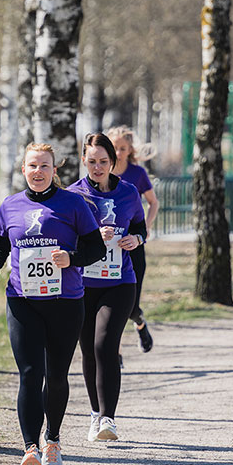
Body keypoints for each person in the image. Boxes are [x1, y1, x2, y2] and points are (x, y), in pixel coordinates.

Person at [0, 143, 105, 465]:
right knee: (29, 373)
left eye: (45, 166)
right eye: (32, 166)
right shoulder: (10, 205)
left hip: (65, 302)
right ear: (23, 169)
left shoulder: (73, 204)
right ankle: (30, 450)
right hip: (22, 301)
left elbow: (95, 246)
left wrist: (72, 259)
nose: (38, 172)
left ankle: (52, 440)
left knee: (55, 376)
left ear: (56, 170)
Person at [67, 133, 147, 442]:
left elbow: (139, 226)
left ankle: (108, 419)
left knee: (105, 346)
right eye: (92, 161)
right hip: (82, 284)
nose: (98, 167)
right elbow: (64, 237)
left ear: (113, 162)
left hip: (119, 281)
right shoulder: (73, 195)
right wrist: (90, 238)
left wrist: (135, 239)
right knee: (88, 350)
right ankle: (94, 414)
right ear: (83, 161)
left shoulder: (128, 192)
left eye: (103, 161)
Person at [107, 125, 159, 353]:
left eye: (122, 148)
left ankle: (140, 323)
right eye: (114, 148)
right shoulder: (100, 172)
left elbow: (153, 202)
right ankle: (113, 352)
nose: (118, 153)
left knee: (131, 307)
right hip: (108, 247)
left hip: (133, 245)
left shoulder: (137, 174)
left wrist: (145, 228)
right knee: (108, 304)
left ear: (130, 150)